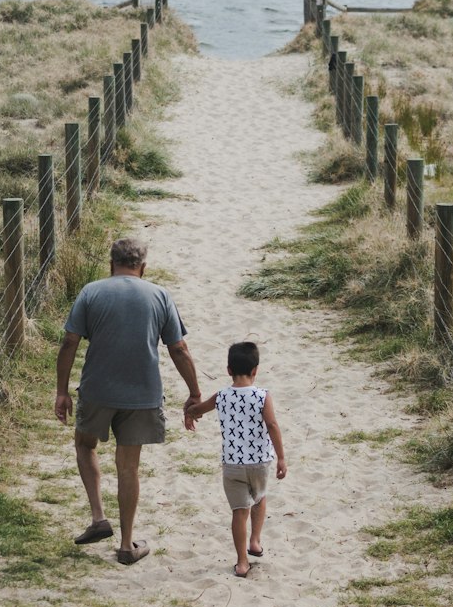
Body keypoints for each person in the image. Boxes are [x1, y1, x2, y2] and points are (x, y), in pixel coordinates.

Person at [54, 238, 202, 565]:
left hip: (97, 390)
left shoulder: (91, 292)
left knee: (85, 444)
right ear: (143, 267)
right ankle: (125, 545)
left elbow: (69, 342)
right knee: (128, 467)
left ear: (111, 264)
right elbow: (179, 349)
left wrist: (62, 390)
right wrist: (194, 391)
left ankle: (98, 517)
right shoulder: (160, 295)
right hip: (142, 394)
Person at [187, 341, 287, 578]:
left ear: (228, 370)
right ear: (256, 370)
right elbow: (272, 425)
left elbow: (200, 409)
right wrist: (281, 457)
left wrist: (189, 413)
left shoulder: (221, 396)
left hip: (232, 464)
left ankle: (242, 563)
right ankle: (255, 541)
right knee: (260, 498)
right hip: (259, 463)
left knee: (239, 512)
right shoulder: (263, 396)